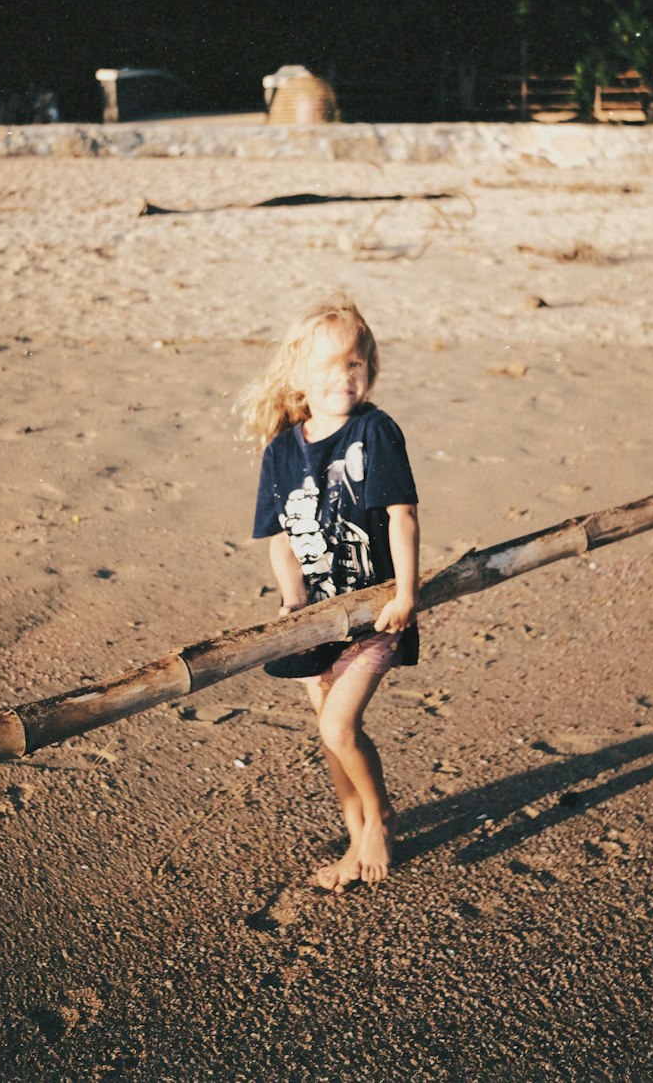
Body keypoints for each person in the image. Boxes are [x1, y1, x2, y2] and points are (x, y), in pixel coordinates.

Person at [237, 292, 420, 892]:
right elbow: (282, 541)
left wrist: (406, 595)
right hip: (315, 621)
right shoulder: (282, 450)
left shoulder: (375, 432)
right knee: (331, 735)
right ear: (299, 375)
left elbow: (402, 517)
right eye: (328, 366)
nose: (344, 377)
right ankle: (355, 828)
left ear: (369, 369)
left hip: (375, 613)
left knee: (339, 727)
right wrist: (292, 602)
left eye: (355, 364)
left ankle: (381, 820)